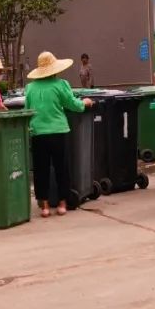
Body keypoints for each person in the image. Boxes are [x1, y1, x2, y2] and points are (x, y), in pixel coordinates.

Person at [25, 51, 93, 218]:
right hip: (58, 132)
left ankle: (45, 207)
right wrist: (85, 102)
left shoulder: (30, 88)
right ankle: (62, 204)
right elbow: (72, 104)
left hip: (38, 133)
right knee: (62, 168)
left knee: (41, 170)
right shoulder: (60, 84)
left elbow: (27, 110)